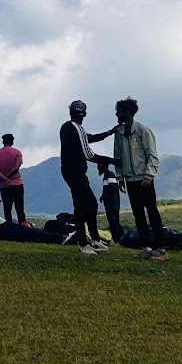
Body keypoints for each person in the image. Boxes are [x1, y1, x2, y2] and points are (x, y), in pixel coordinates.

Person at [106, 97, 165, 260]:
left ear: (129, 113)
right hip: (130, 180)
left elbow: (152, 155)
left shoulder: (143, 130)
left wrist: (148, 175)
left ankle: (160, 249)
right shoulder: (118, 133)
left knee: (152, 212)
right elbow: (117, 157)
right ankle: (146, 248)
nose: (117, 114)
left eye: (120, 112)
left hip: (144, 180)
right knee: (138, 214)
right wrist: (120, 177)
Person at [58, 100, 113, 254]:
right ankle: (84, 243)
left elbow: (87, 138)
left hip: (70, 171)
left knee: (90, 204)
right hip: (76, 172)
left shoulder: (67, 127)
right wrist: (112, 161)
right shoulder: (77, 128)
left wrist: (108, 133)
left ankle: (94, 240)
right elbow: (88, 154)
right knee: (82, 206)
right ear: (85, 114)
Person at [0, 133, 26, 225]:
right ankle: (23, 227)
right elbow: (16, 168)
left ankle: (9, 228)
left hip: (3, 186)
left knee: (7, 209)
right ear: (12, 141)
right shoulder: (17, 153)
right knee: (19, 208)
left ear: (3, 141)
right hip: (17, 184)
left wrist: (5, 179)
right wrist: (8, 177)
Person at [98, 155, 125, 244]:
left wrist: (104, 196)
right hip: (109, 205)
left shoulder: (109, 175)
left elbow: (113, 188)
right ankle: (117, 240)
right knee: (112, 223)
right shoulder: (106, 175)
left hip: (113, 204)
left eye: (99, 165)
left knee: (115, 223)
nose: (98, 167)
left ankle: (122, 239)